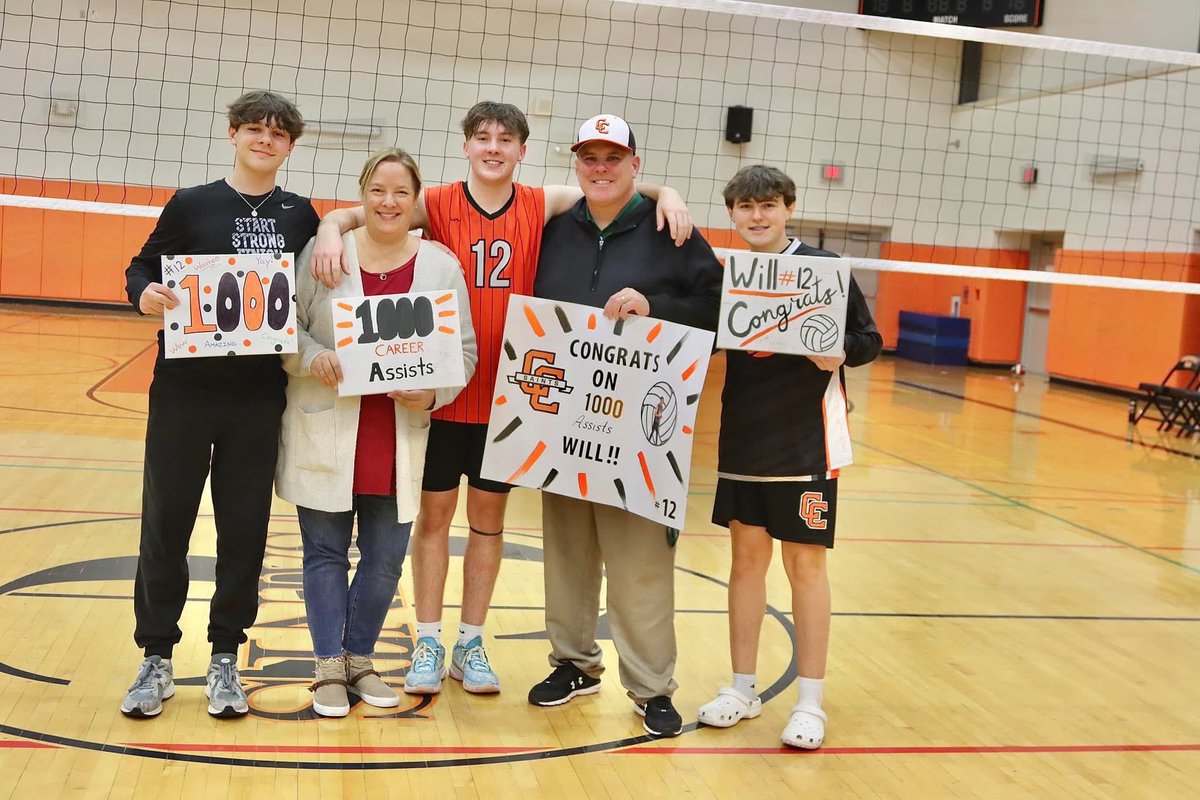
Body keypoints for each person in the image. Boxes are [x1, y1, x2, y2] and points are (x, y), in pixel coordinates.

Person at [310, 102, 693, 696]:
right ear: (465, 145)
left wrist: (667, 192)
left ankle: (471, 643)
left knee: (487, 525)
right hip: (439, 392)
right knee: (434, 520)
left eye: (506, 139)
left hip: (513, 400)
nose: (493, 147)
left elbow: (612, 183)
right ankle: (430, 641)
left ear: (522, 150)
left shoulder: (542, 203)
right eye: (482, 137)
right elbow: (362, 209)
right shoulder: (433, 202)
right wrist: (330, 230)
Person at [121, 91, 329, 718]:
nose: (265, 140)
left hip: (258, 397)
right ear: (233, 134)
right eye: (255, 130)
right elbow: (139, 267)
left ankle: (224, 660)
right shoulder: (192, 203)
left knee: (244, 531)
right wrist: (145, 295)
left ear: (291, 145)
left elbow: (325, 260)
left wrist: (343, 227)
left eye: (278, 133)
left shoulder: (301, 214)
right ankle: (156, 657)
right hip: (184, 391)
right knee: (166, 525)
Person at [527, 113, 722, 738]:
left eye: (614, 157)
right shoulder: (554, 229)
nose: (601, 167)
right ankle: (574, 663)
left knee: (639, 561)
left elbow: (718, 314)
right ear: (576, 164)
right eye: (590, 157)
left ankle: (650, 686)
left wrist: (654, 308)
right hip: (561, 421)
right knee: (566, 551)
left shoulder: (674, 233)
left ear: (636, 164)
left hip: (641, 430)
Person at [275, 148, 477, 717]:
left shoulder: (440, 264)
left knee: (386, 558)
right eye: (378, 191)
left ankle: (360, 660)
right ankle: (328, 671)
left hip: (398, 438)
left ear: (416, 202)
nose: (389, 202)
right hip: (329, 427)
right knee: (324, 553)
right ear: (361, 196)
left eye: (401, 193)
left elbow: (464, 352)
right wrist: (312, 357)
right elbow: (284, 328)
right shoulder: (323, 253)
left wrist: (435, 393)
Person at [696, 164, 882, 749]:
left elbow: (868, 339)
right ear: (732, 213)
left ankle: (810, 702)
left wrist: (841, 355)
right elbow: (688, 317)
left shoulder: (825, 269)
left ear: (788, 208)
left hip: (806, 443)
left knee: (805, 568)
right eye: (745, 207)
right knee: (746, 563)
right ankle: (742, 689)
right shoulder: (731, 276)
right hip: (744, 440)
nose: (757, 216)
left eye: (768, 205)